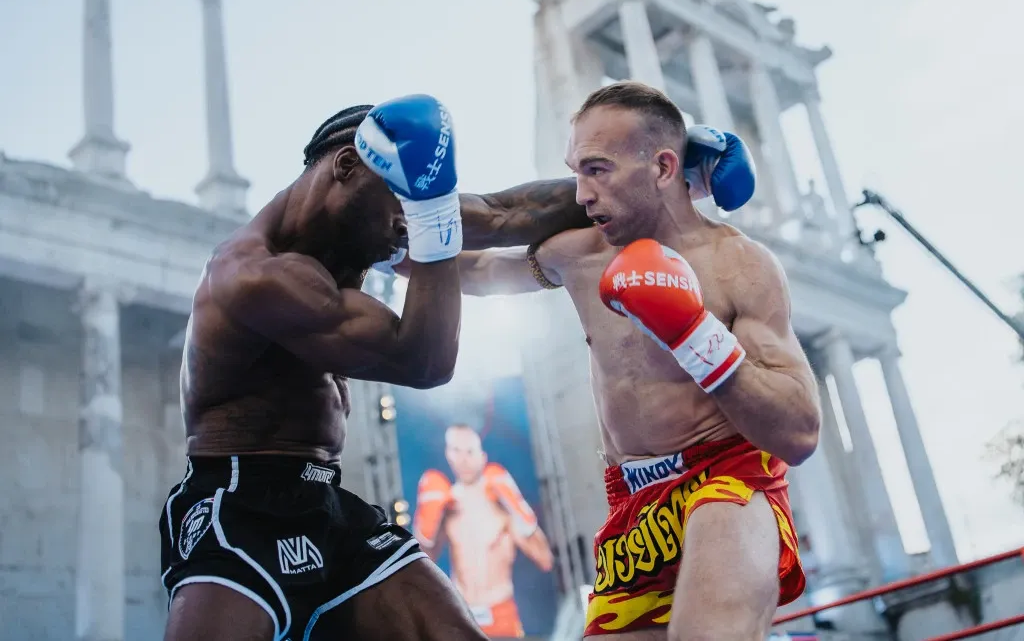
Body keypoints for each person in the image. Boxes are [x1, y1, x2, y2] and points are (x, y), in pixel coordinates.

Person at [389, 81, 822, 640]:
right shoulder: (580, 254)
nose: (581, 194)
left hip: (727, 481)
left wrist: (694, 335)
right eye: (577, 171)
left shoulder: (740, 265)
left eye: (597, 170)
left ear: (664, 167)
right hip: (634, 508)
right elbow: (479, 270)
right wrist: (385, 243)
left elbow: (799, 431)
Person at [158, 94, 586, 641]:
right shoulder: (253, 276)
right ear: (346, 166)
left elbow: (504, 214)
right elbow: (424, 360)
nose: (406, 225)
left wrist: (638, 181)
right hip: (239, 505)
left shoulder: (367, 225)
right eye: (401, 207)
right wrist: (430, 218)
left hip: (326, 503)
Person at [413, 424, 554, 638]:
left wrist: (518, 508)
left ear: (482, 457)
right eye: (456, 451)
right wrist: (425, 524)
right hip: (461, 612)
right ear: (448, 454)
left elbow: (545, 559)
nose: (463, 460)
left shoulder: (501, 505)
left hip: (501, 612)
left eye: (470, 451)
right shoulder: (446, 504)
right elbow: (423, 564)